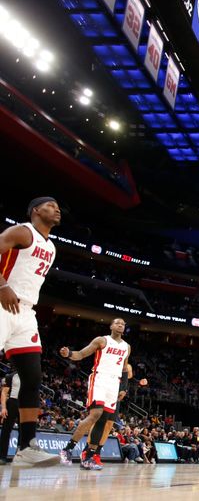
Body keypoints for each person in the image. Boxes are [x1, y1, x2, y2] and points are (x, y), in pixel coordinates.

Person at [0, 197, 61, 467]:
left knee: (32, 377)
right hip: (2, 303)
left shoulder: (51, 247)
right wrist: (2, 286)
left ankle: (26, 447)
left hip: (25, 313)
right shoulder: (22, 231)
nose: (57, 209)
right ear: (36, 210)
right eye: (51, 205)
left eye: (58, 206)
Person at [58, 318, 130, 470]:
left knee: (103, 421)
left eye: (123, 324)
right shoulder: (102, 340)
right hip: (100, 378)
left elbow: (124, 369)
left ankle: (88, 457)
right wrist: (69, 353)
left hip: (114, 383)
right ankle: (67, 449)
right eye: (117, 323)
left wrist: (123, 388)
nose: (120, 325)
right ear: (111, 326)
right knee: (95, 414)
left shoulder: (126, 347)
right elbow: (82, 354)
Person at [0, 370, 20, 464]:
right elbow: (4, 392)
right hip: (12, 402)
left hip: (26, 403)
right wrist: (3, 408)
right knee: (6, 430)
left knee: (24, 431)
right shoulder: (11, 376)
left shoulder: (30, 376)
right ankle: (2, 457)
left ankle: (19, 457)